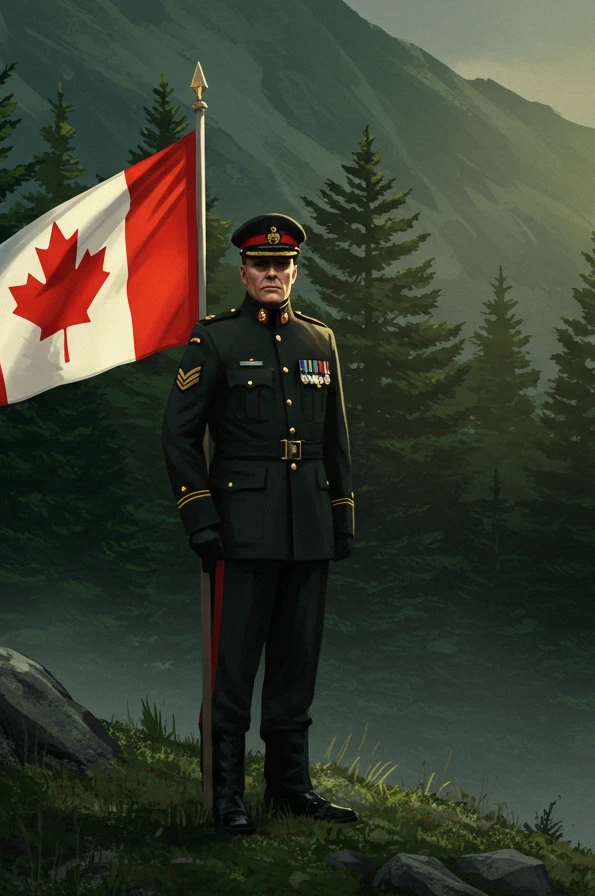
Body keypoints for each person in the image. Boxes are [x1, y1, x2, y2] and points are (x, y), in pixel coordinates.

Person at [161, 212, 357, 835]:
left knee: (297, 666)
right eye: (262, 265)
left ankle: (290, 787)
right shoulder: (215, 341)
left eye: (284, 266)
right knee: (233, 669)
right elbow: (179, 434)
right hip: (240, 529)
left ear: (296, 271)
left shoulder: (319, 341)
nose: (274, 274)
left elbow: (335, 439)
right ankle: (225, 796)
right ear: (243, 272)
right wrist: (199, 515)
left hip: (308, 525)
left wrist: (342, 515)